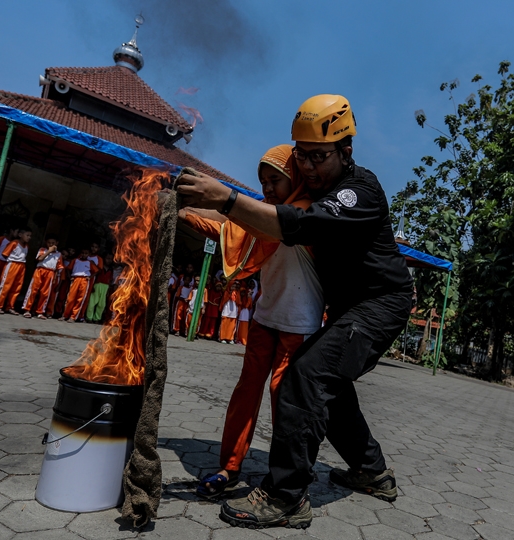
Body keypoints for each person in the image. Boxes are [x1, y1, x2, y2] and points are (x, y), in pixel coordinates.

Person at [177, 94, 414, 529]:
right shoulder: (310, 189)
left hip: (381, 304)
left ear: (346, 151)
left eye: (319, 157)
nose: (308, 167)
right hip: (346, 308)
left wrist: (226, 199)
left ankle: (286, 497)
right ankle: (372, 471)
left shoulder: (359, 192)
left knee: (303, 379)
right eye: (301, 156)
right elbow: (265, 220)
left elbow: (300, 226)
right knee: (334, 390)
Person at [179, 145, 323, 498]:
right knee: (246, 391)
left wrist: (222, 203)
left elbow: (265, 229)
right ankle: (229, 465)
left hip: (300, 327)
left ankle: (288, 473)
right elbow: (231, 231)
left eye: (276, 179)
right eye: (263, 182)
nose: (268, 189)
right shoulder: (263, 216)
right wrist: (184, 215)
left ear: (297, 178)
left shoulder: (310, 216)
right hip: (264, 319)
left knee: (284, 398)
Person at [0, 228, 31, 314]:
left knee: (16, 287)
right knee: (5, 285)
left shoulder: (26, 246)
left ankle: (10, 306)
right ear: (20, 235)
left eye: (30, 236)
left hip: (21, 266)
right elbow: (5, 254)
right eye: (27, 235)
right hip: (12, 264)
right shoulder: (14, 243)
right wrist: (10, 261)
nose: (29, 237)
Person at [22, 236, 62, 319]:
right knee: (33, 290)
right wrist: (49, 251)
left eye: (53, 243)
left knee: (45, 293)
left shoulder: (59, 254)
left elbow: (59, 267)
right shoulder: (42, 250)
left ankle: (40, 311)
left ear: (56, 243)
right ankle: (27, 309)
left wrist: (55, 278)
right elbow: (40, 258)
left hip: (50, 272)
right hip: (40, 270)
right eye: (49, 242)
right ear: (46, 243)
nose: (51, 244)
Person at [62, 248, 97, 322]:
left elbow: (96, 271)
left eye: (86, 253)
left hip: (84, 280)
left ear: (88, 254)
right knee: (70, 298)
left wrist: (90, 277)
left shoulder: (90, 262)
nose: (84, 255)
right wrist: (70, 276)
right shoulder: (75, 260)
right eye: (83, 253)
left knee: (80, 299)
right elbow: (68, 268)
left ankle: (73, 317)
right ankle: (65, 315)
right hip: (75, 279)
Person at [86, 253, 113, 323]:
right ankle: (89, 317)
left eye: (110, 259)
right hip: (97, 284)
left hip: (105, 286)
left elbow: (110, 280)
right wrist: (93, 286)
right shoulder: (100, 268)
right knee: (92, 302)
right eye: (107, 258)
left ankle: (97, 318)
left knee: (102, 304)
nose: (109, 260)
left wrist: (108, 289)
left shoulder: (111, 269)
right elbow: (95, 276)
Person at [218, 280, 239, 344]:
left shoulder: (237, 293)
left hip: (233, 311)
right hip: (226, 310)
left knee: (232, 326)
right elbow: (224, 300)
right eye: (232, 286)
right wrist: (230, 293)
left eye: (235, 286)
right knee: (224, 324)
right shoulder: (226, 292)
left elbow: (239, 301)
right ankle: (222, 337)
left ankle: (230, 338)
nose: (233, 287)